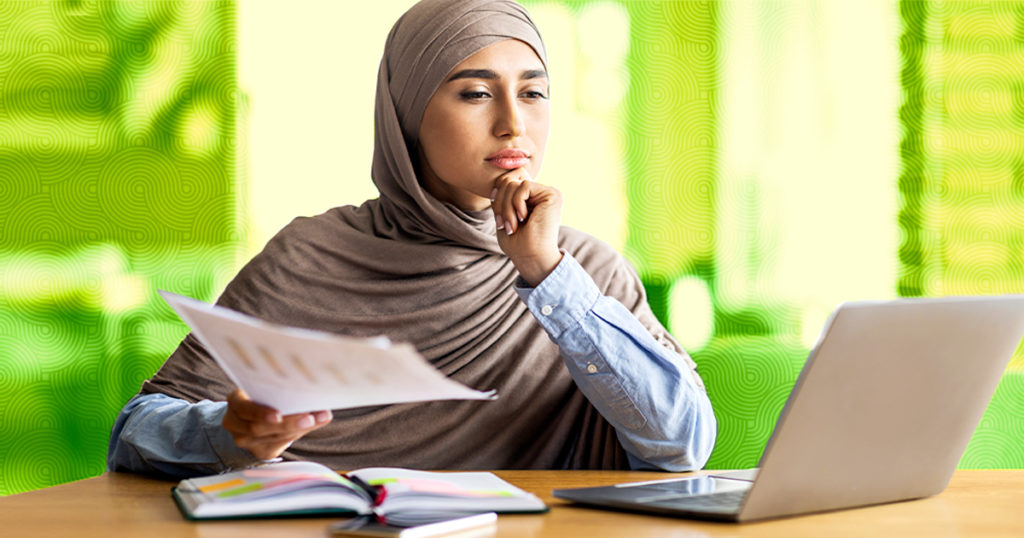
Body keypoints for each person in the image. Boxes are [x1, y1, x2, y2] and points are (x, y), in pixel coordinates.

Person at [107, 0, 716, 478]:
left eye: (533, 93)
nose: (513, 123)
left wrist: (547, 277)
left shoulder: (583, 270)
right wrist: (229, 430)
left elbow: (681, 445)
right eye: (475, 93)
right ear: (406, 113)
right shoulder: (311, 255)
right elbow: (135, 433)